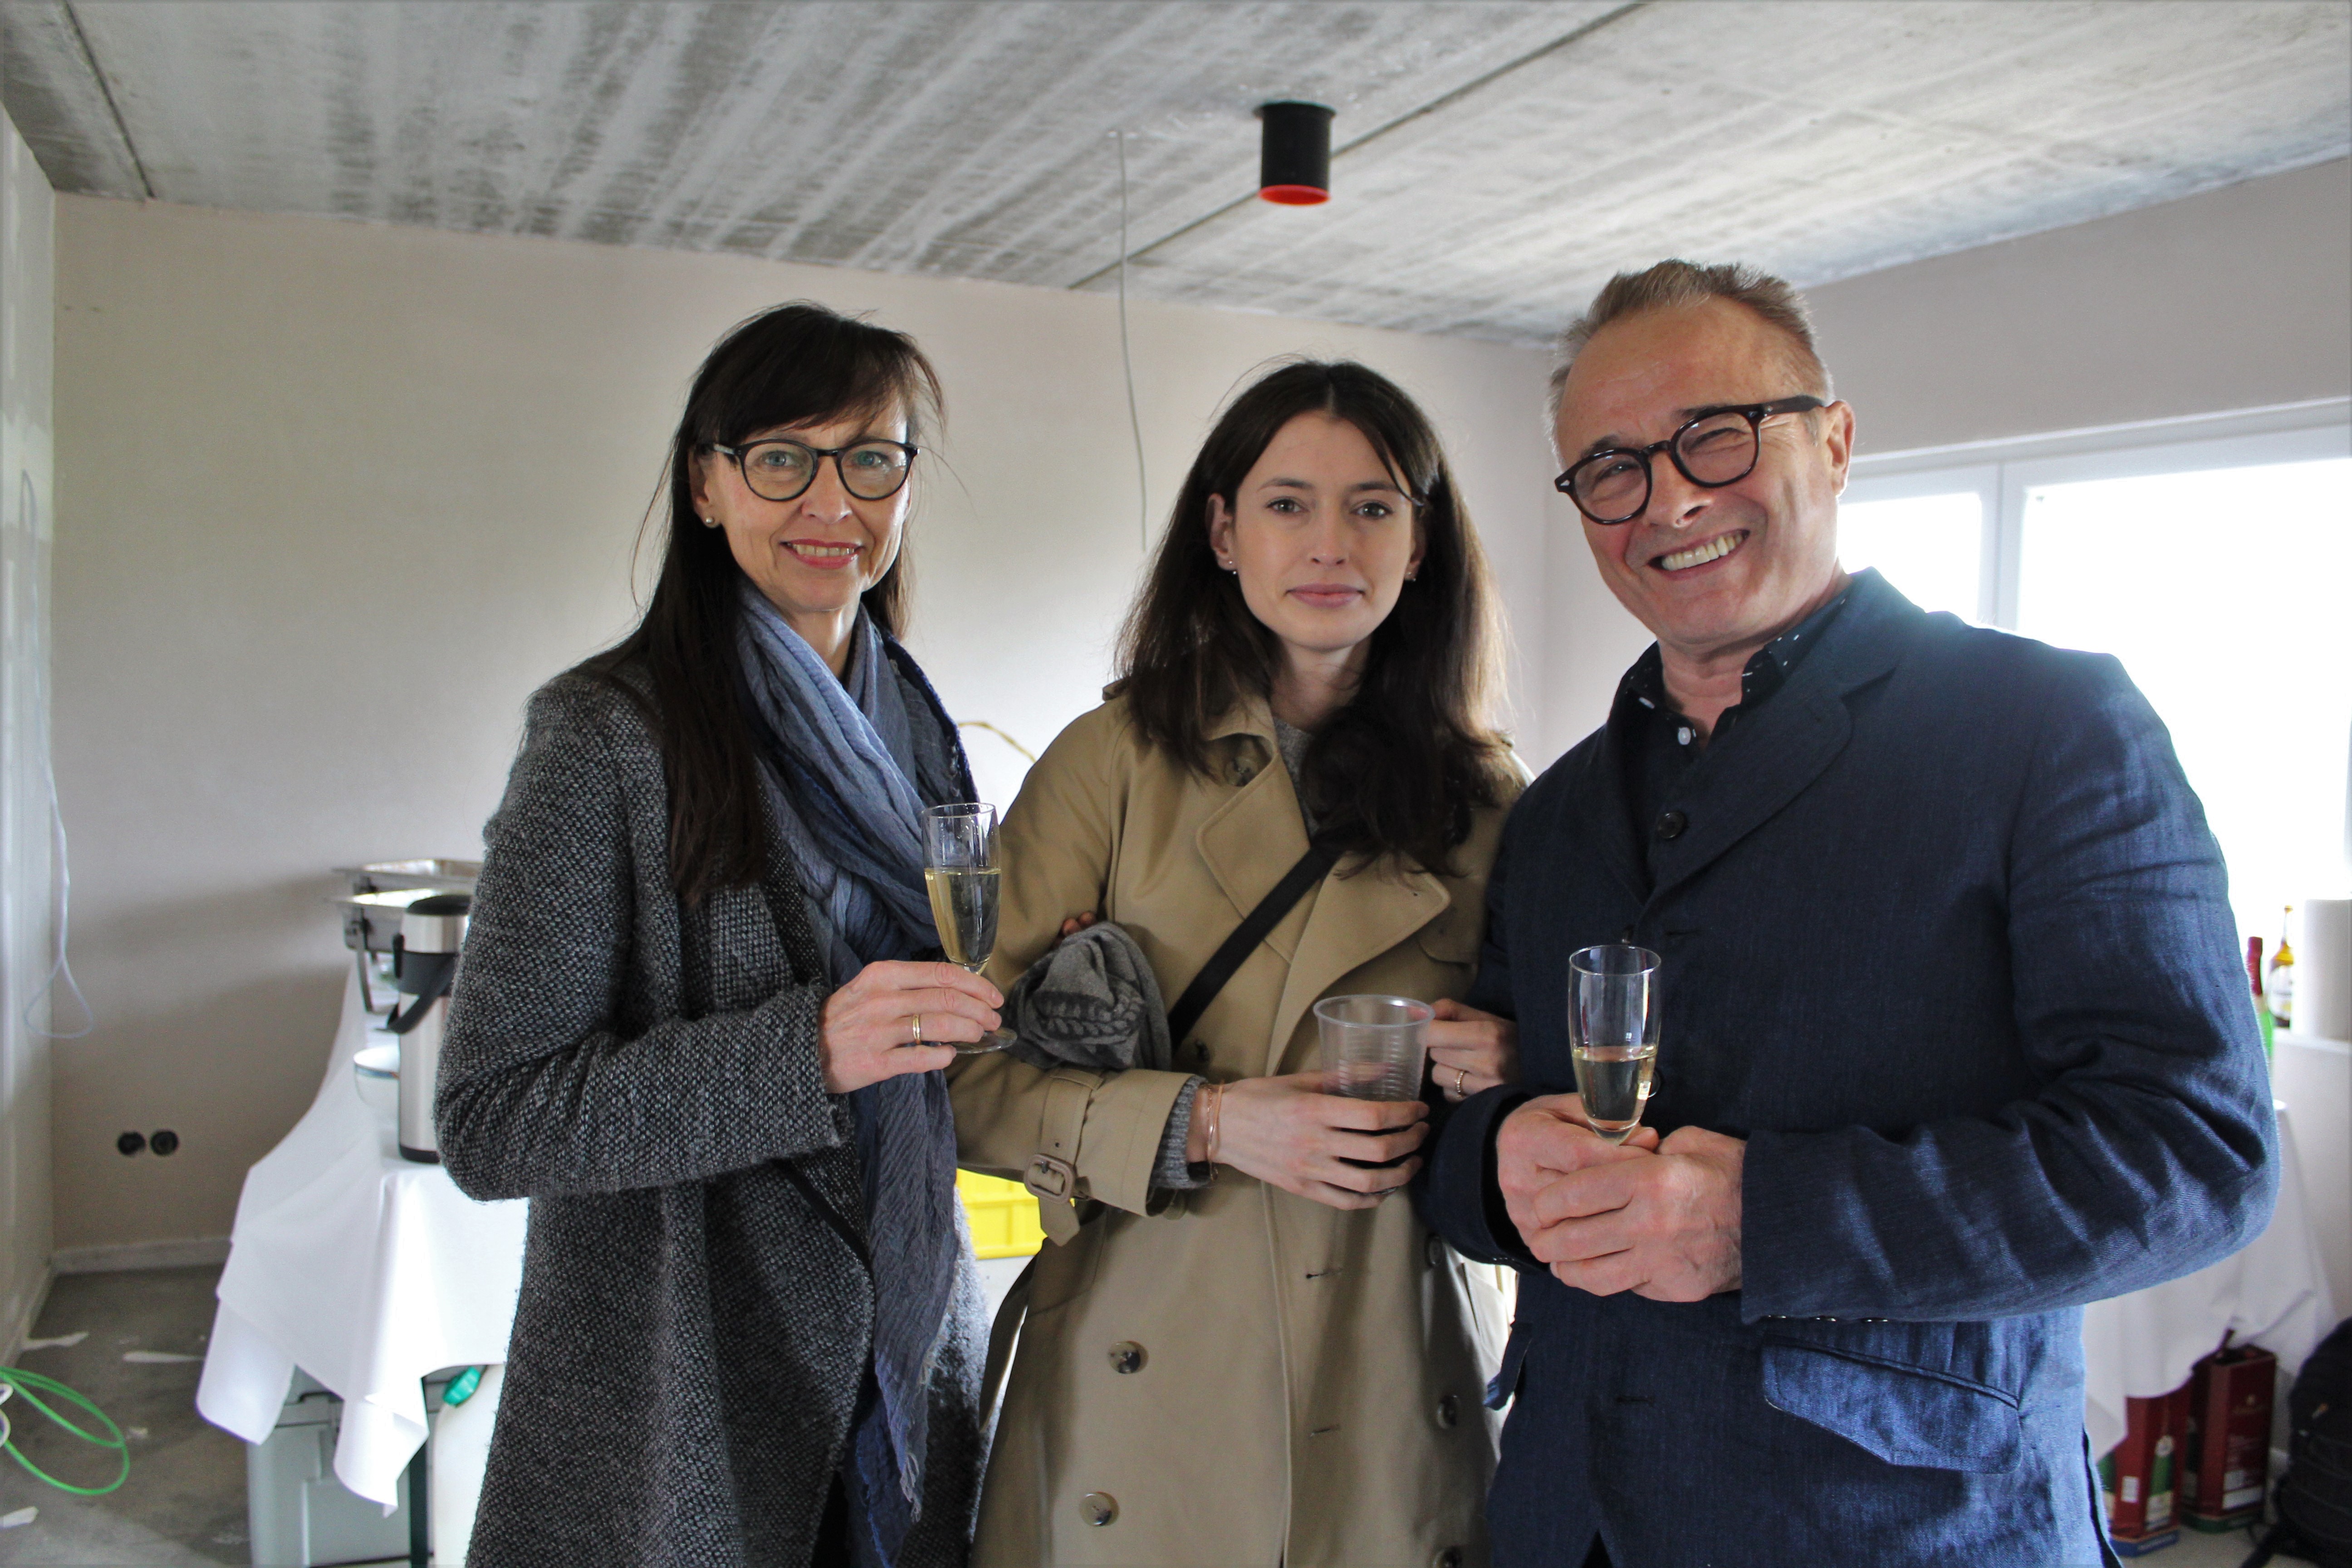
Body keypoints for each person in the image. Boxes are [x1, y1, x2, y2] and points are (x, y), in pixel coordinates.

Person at [1416, 260, 2280, 1567]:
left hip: (1906, 1527)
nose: (1670, 499)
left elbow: (2196, 1153)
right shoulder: (1555, 813)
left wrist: (1764, 1219)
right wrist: (1492, 1163)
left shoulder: (2046, 728)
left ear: (1834, 440)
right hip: (1563, 1514)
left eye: (1715, 435)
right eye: (1611, 469)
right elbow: (1471, 1108)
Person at [436, 302, 1000, 1568]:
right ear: (706, 485)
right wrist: (810, 1053)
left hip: (906, 1342)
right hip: (688, 1378)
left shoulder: (912, 717)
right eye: (781, 459)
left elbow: (934, 1006)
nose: (831, 502)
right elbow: (491, 1119)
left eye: (871, 459)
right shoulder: (605, 734)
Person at [951, 360, 1524, 1566]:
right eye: (1287, 504)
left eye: (1372, 507)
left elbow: (1556, 1092)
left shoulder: (1487, 799)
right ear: (1222, 532)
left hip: (1389, 1367)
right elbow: (954, 1076)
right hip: (1142, 1372)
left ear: (1420, 543)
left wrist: (1511, 1068)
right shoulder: (1110, 762)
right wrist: (1202, 1125)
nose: (1331, 545)